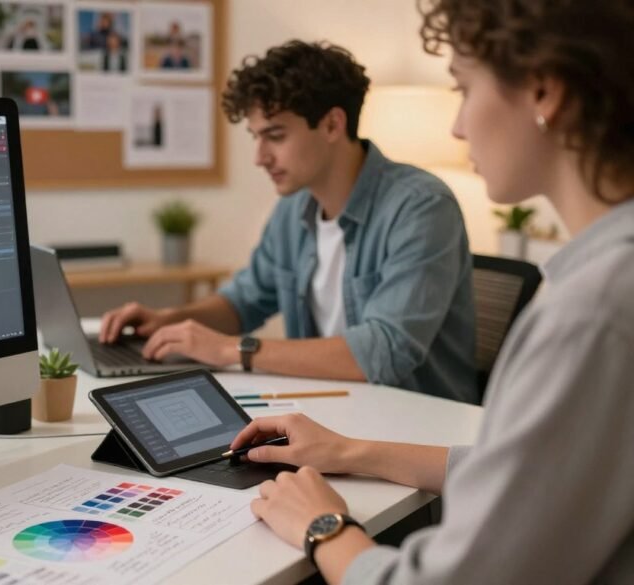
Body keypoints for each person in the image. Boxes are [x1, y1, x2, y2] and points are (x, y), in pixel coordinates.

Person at [234, 1, 634, 583]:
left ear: (545, 92)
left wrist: (324, 528)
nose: (458, 125)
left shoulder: (591, 314)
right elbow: (529, 471)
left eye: (464, 89)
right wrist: (346, 451)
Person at [100, 40, 477, 404]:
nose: (259, 157)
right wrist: (171, 320)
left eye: (275, 136)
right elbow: (244, 301)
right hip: (332, 411)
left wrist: (233, 349)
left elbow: (384, 351)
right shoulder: (294, 208)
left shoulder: (421, 208)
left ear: (332, 125)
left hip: (416, 425)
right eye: (255, 137)